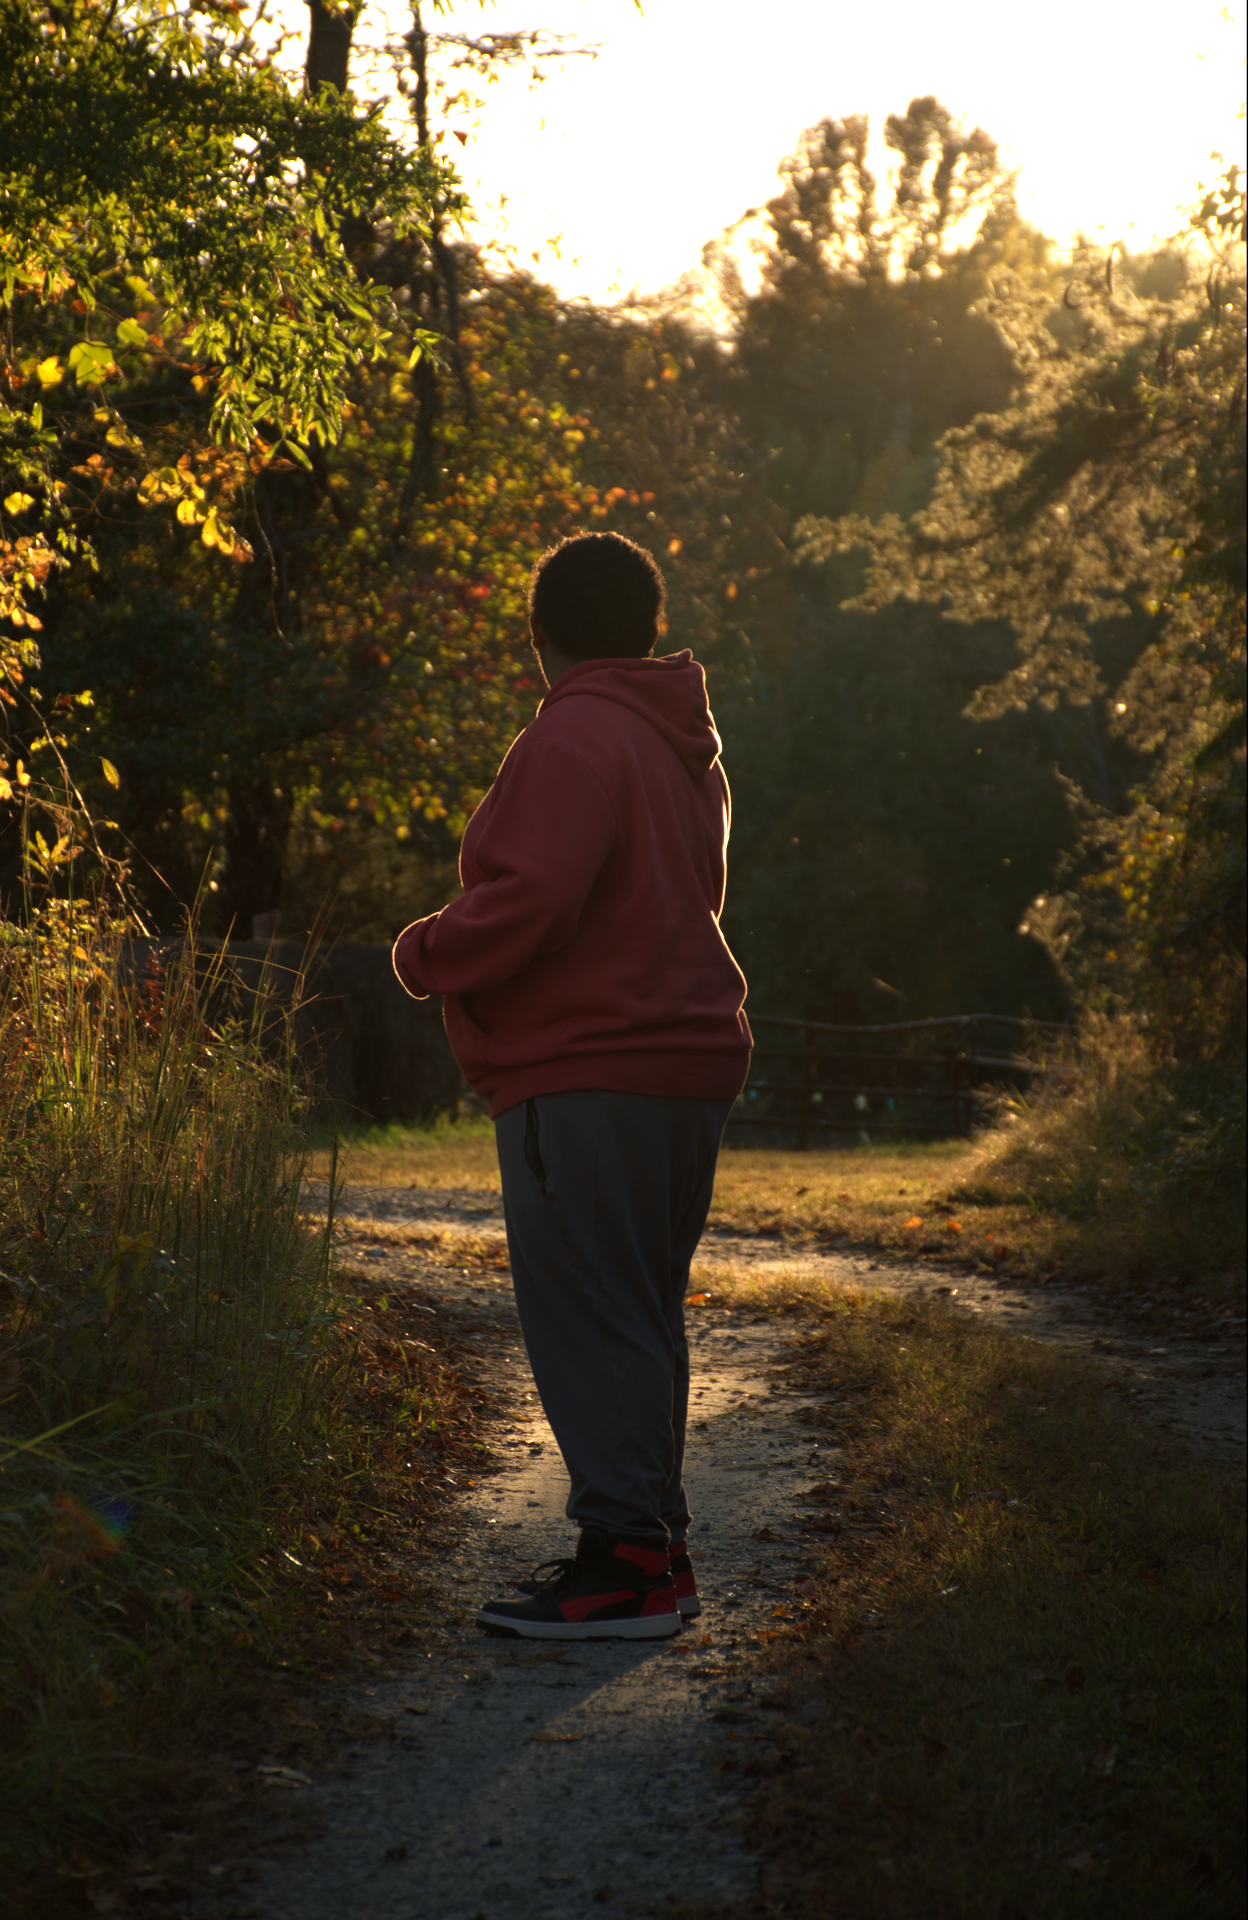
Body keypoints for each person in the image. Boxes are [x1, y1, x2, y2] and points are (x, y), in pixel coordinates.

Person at [393, 531, 751, 1639]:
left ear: (538, 636)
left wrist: (425, 951)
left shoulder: (573, 734)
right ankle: (656, 1549)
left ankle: (625, 1570)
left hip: (591, 1066)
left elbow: (532, 897)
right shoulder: (682, 746)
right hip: (680, 1062)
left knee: (593, 1316)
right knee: (638, 1313)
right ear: (646, 626)